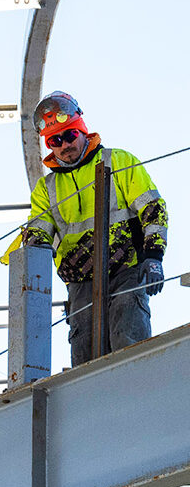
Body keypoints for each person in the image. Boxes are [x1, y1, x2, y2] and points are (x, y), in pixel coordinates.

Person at [21, 91, 167, 367]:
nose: (64, 145)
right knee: (85, 354)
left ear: (82, 132)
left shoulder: (118, 161)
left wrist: (154, 257)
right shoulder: (47, 188)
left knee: (127, 336)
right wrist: (33, 249)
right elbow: (38, 230)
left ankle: (136, 394)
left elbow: (153, 209)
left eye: (69, 135)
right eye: (55, 141)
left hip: (127, 269)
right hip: (80, 283)